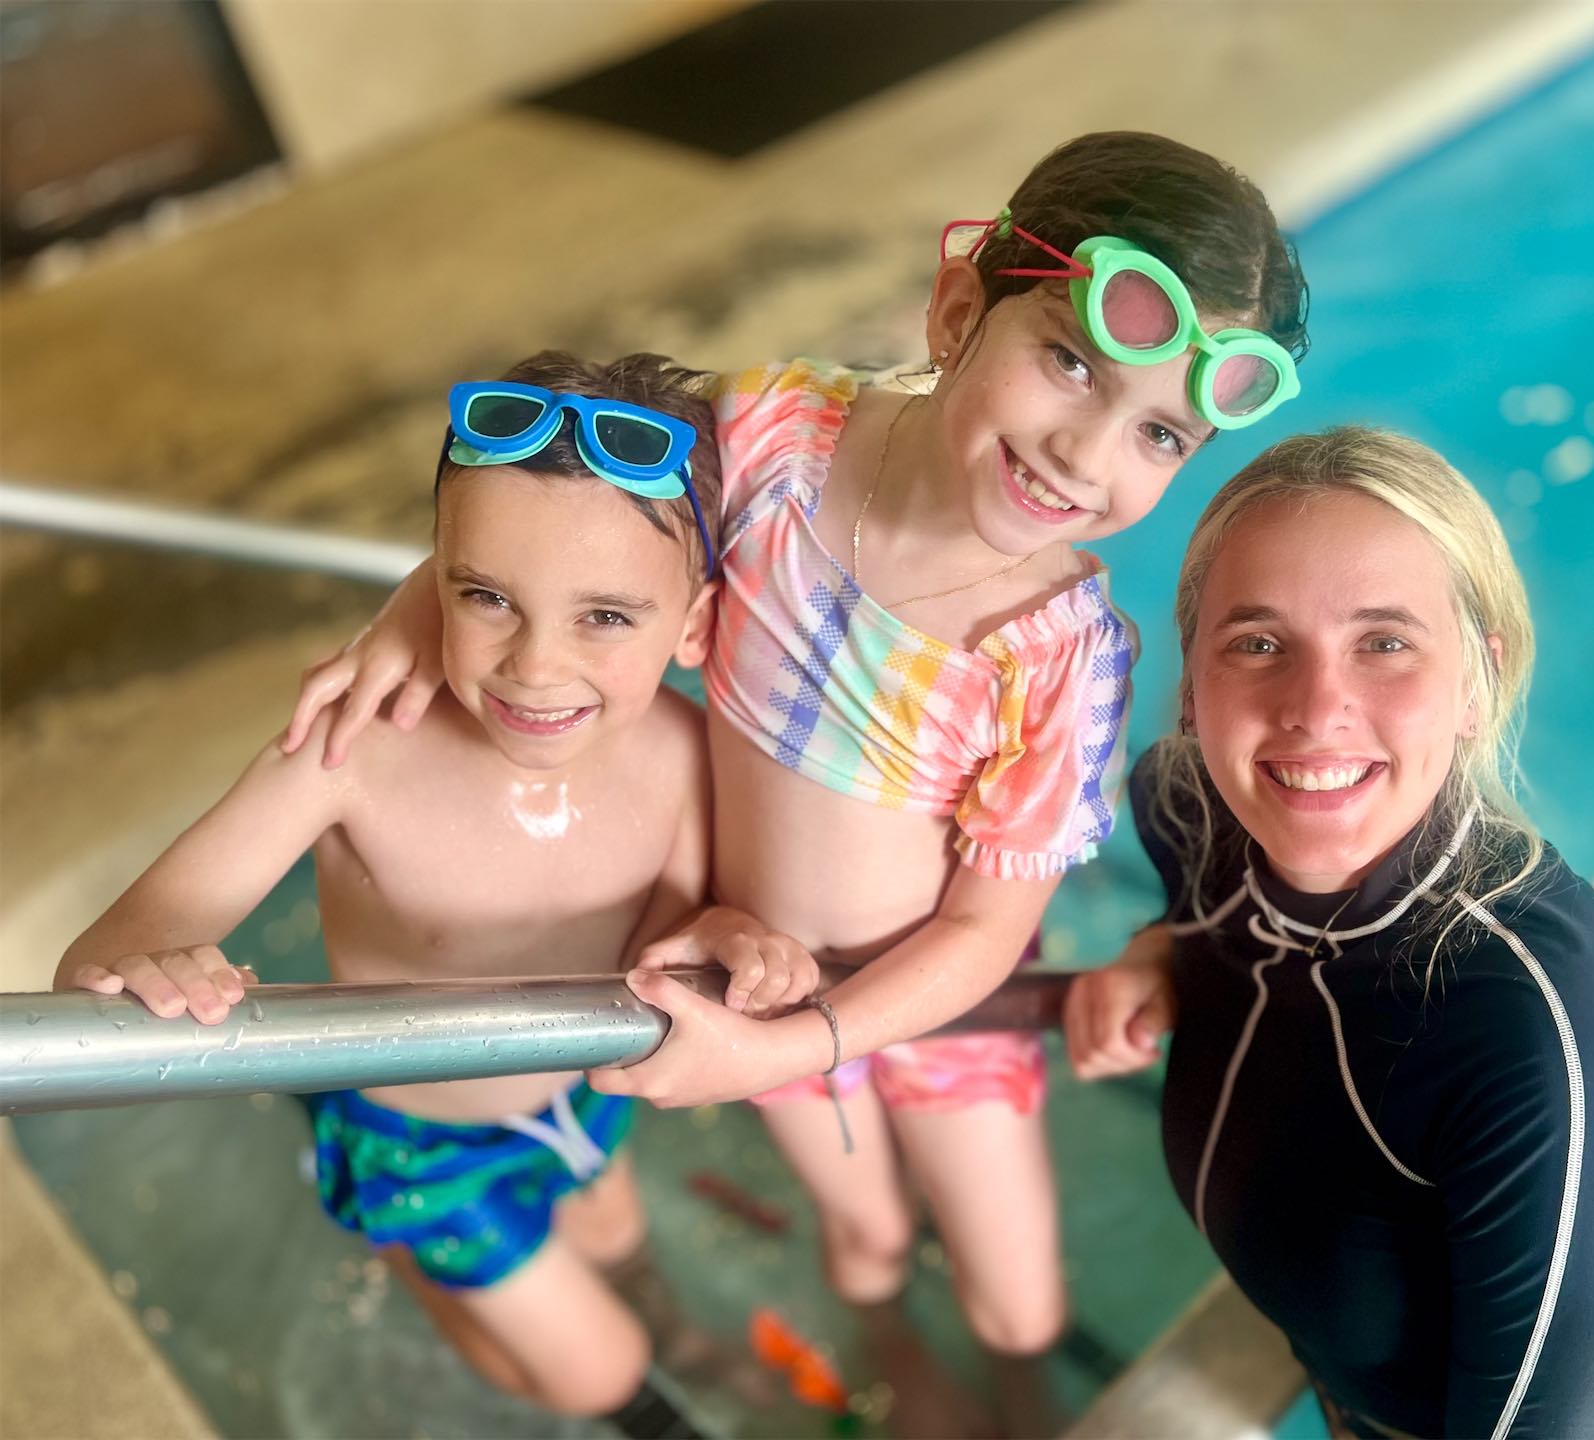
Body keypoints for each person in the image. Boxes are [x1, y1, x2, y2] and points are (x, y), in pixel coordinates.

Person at [281, 131, 1311, 1364]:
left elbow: (983, 931)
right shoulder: (775, 437)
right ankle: (894, 1373)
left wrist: (806, 1042)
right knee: (863, 1239)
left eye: (1160, 437)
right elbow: (559, 510)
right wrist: (413, 614)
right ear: (956, 310)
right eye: (1070, 363)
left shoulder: (1059, 657)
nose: (1086, 456)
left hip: (936, 1001)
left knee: (1020, 1307)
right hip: (751, 973)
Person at [53, 351, 813, 1422]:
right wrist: (148, 965)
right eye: (488, 597)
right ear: (434, 586)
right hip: (423, 1145)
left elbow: (677, 932)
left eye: (604, 617)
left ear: (692, 627)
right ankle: (410, 1251)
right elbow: (94, 964)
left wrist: (731, 932)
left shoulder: (684, 755)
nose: (535, 666)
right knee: (595, 1375)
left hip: (580, 1095)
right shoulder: (356, 751)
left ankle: (657, 1321)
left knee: (618, 1243)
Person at [1064, 427, 1594, 1439]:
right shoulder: (1189, 815)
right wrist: (1164, 950)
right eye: (1258, 643)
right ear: (1192, 687)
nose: (1316, 709)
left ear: (1477, 682)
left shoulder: (1541, 1044)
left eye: (1385, 642)